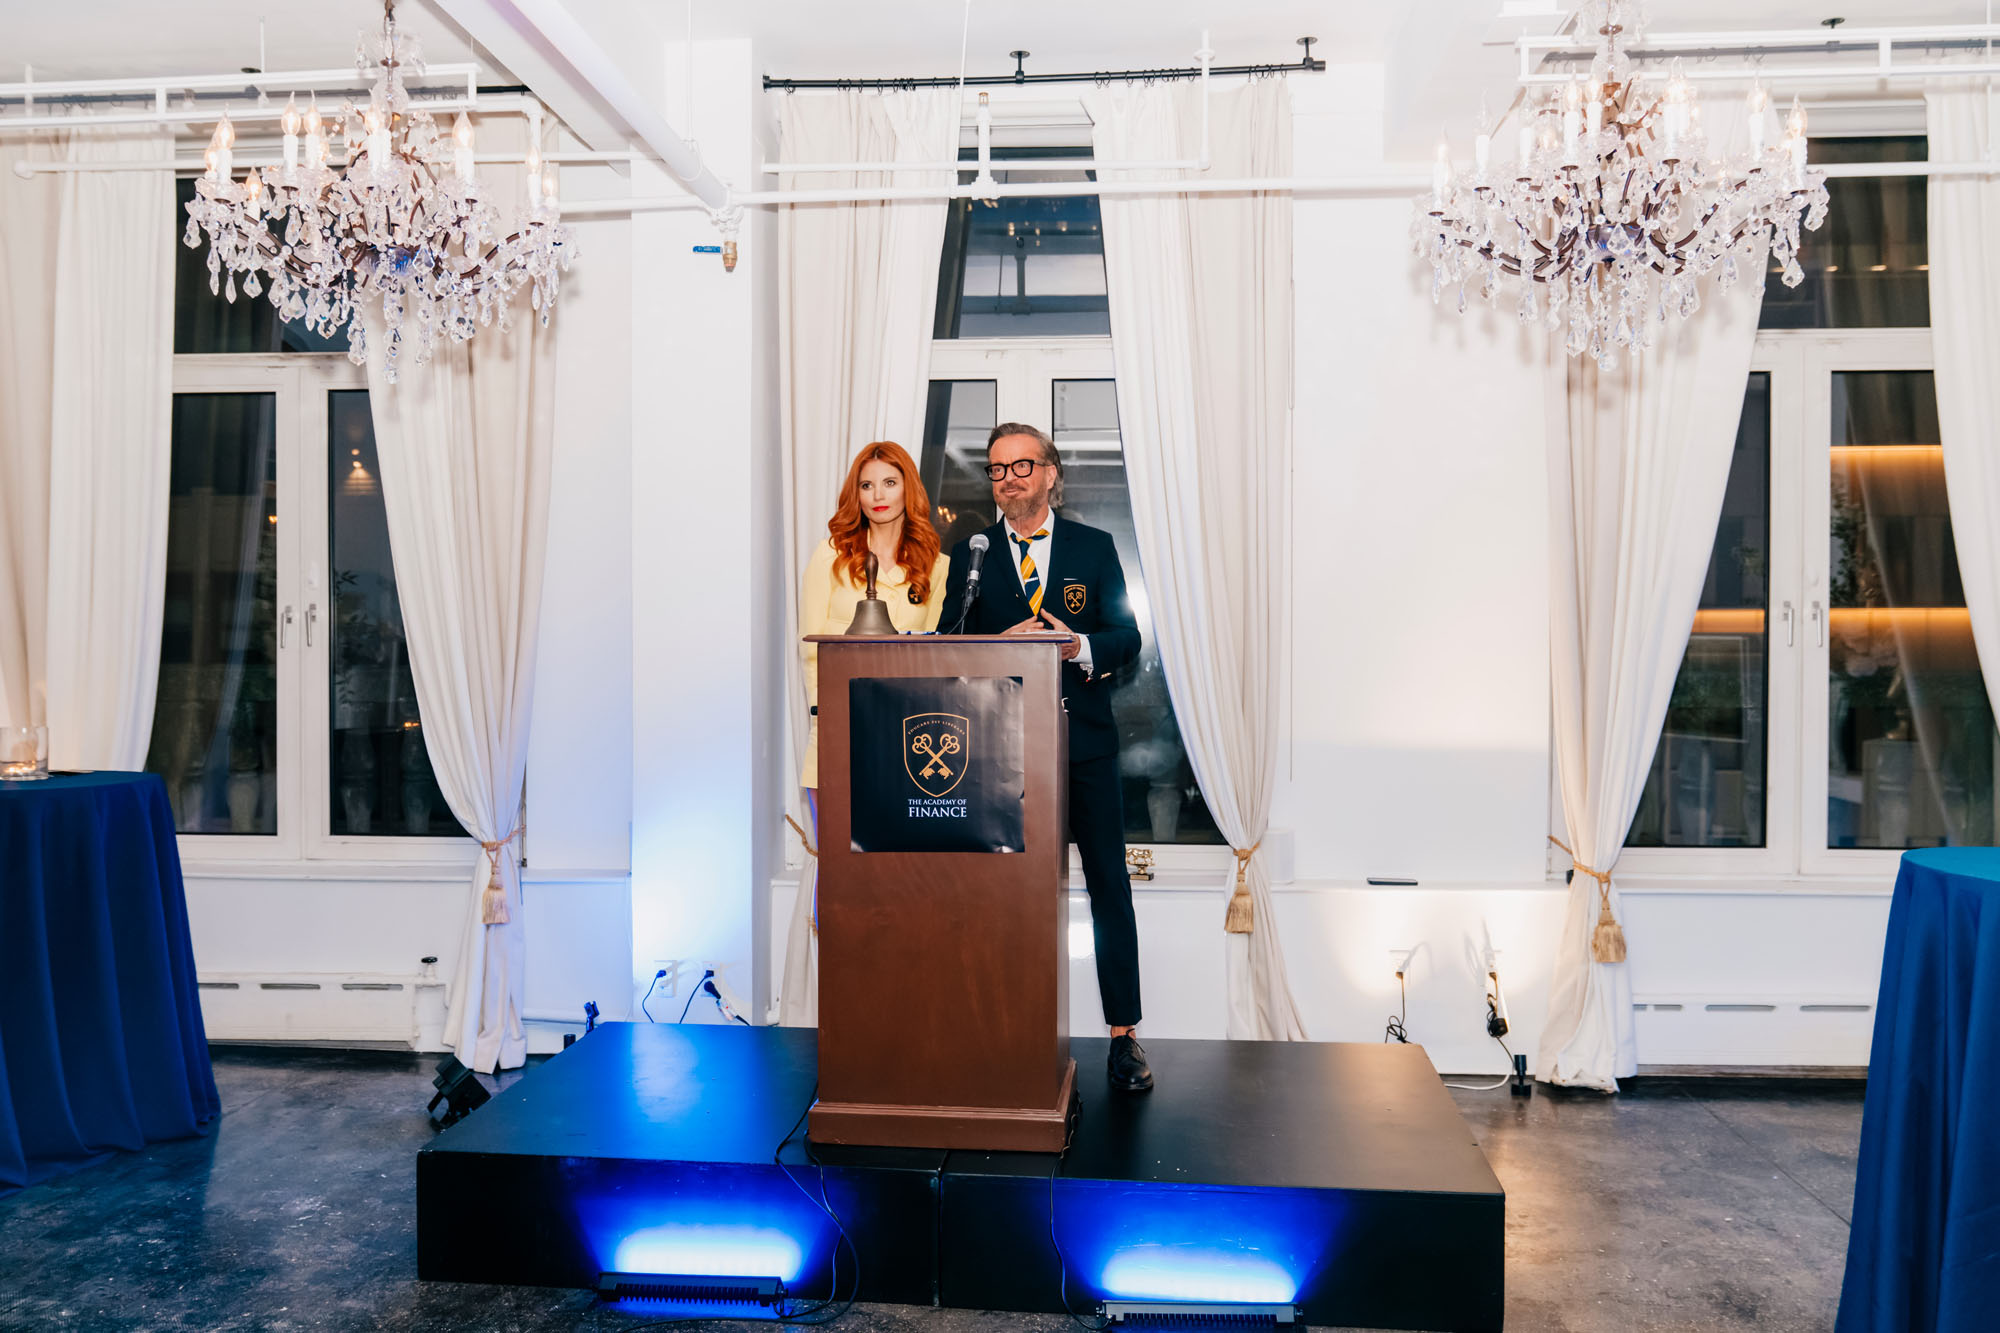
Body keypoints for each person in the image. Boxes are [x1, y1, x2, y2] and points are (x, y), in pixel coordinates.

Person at [940, 423, 1152, 1093]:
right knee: (1003, 894)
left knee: (1109, 887)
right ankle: (1000, 1029)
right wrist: (998, 644)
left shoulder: (1094, 546)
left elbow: (1127, 637)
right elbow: (947, 643)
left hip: (1086, 746)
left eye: (1021, 466)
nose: (1008, 479)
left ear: (1051, 473)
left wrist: (1079, 645)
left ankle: (1123, 1037)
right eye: (997, 469)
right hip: (1001, 754)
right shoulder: (971, 554)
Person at [800, 441, 951, 798]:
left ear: (908, 489)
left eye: (890, 483)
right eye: (866, 485)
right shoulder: (830, 555)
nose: (878, 495)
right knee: (834, 834)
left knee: (894, 834)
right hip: (838, 724)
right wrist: (826, 712)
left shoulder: (937, 566)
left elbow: (934, 652)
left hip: (905, 730)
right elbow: (810, 646)